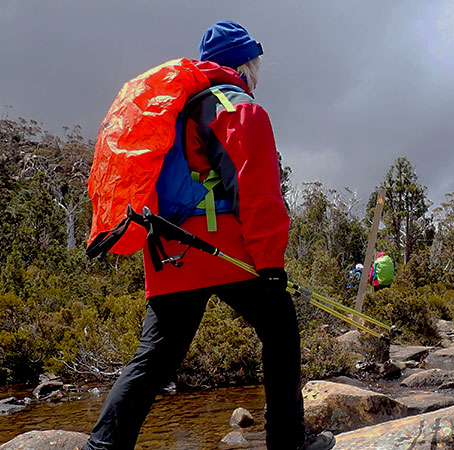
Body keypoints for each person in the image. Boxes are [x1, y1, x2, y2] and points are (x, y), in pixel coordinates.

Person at [85, 21, 335, 450]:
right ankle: (288, 443)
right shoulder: (235, 105)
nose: (258, 74)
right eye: (256, 65)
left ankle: (102, 447)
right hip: (223, 248)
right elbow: (256, 191)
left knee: (155, 358)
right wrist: (271, 263)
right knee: (280, 330)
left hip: (167, 251)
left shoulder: (174, 106)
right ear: (245, 64)